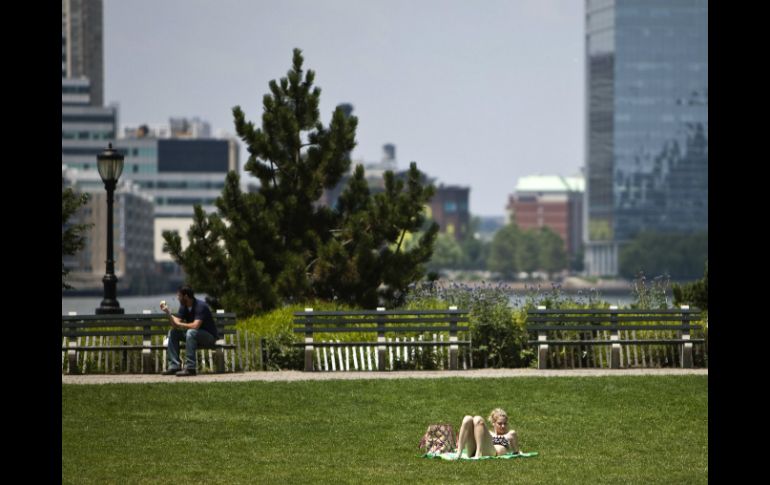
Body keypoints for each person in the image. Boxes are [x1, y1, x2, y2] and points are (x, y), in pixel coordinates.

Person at [160, 285, 218, 376]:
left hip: (208, 338)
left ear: (186, 297)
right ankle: (174, 366)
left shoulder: (201, 306)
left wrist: (180, 324)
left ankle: (190, 368)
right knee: (173, 332)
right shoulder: (184, 307)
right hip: (193, 336)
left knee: (191, 332)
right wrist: (168, 313)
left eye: (179, 296)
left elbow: (195, 326)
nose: (177, 298)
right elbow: (175, 324)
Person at [453, 408, 520, 459]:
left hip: (493, 452)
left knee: (478, 419)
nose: (503, 426)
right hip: (473, 450)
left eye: (505, 423)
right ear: (493, 423)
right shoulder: (488, 433)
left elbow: (516, 452)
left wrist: (518, 451)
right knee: (467, 418)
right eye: (500, 423)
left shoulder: (510, 434)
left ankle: (479, 453)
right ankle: (459, 453)